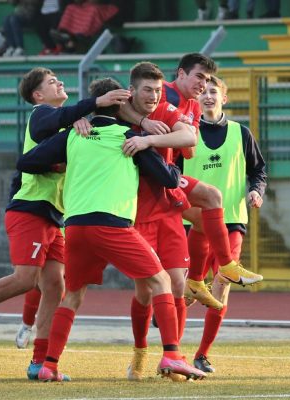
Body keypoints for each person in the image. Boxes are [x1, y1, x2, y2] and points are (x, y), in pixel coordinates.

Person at [0, 67, 130, 381]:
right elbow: (53, 124)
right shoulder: (41, 114)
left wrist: (82, 118)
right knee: (27, 278)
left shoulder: (69, 123)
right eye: (52, 82)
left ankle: (38, 363)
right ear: (37, 95)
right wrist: (92, 104)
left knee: (55, 286)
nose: (60, 83)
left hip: (53, 215)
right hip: (30, 208)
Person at [15, 77, 206, 382]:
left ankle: (49, 365)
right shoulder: (127, 137)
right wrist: (160, 156)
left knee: (73, 296)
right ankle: (172, 355)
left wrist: (64, 162)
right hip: (112, 224)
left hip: (75, 226)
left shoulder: (75, 135)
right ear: (121, 104)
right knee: (161, 282)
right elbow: (168, 180)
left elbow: (26, 161)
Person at [119, 53, 263, 311]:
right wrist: (145, 125)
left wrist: (182, 136)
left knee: (206, 208)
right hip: (141, 177)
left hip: (165, 175)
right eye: (199, 76)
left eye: (207, 79)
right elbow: (119, 105)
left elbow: (189, 146)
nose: (202, 84)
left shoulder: (193, 106)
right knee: (143, 288)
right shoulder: (164, 93)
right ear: (181, 74)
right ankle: (218, 269)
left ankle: (199, 279)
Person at [116, 62, 200, 382]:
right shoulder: (117, 108)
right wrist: (140, 122)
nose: (153, 96)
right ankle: (139, 353)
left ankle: (173, 357)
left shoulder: (165, 109)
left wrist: (148, 139)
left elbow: (188, 135)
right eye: (147, 90)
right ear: (132, 89)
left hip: (167, 211)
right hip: (134, 216)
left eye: (157, 90)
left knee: (178, 284)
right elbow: (97, 110)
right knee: (144, 292)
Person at [182, 76, 266, 373]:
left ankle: (202, 354)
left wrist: (257, 190)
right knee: (186, 286)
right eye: (202, 91)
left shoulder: (240, 133)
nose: (207, 96)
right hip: (193, 222)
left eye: (213, 92)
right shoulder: (185, 132)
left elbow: (258, 170)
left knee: (222, 282)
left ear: (224, 99)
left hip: (230, 221)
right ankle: (172, 351)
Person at [51, 0, 118, 53]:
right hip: (85, 5)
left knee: (93, 10)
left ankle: (74, 40)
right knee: (71, 7)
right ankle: (65, 34)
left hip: (102, 6)